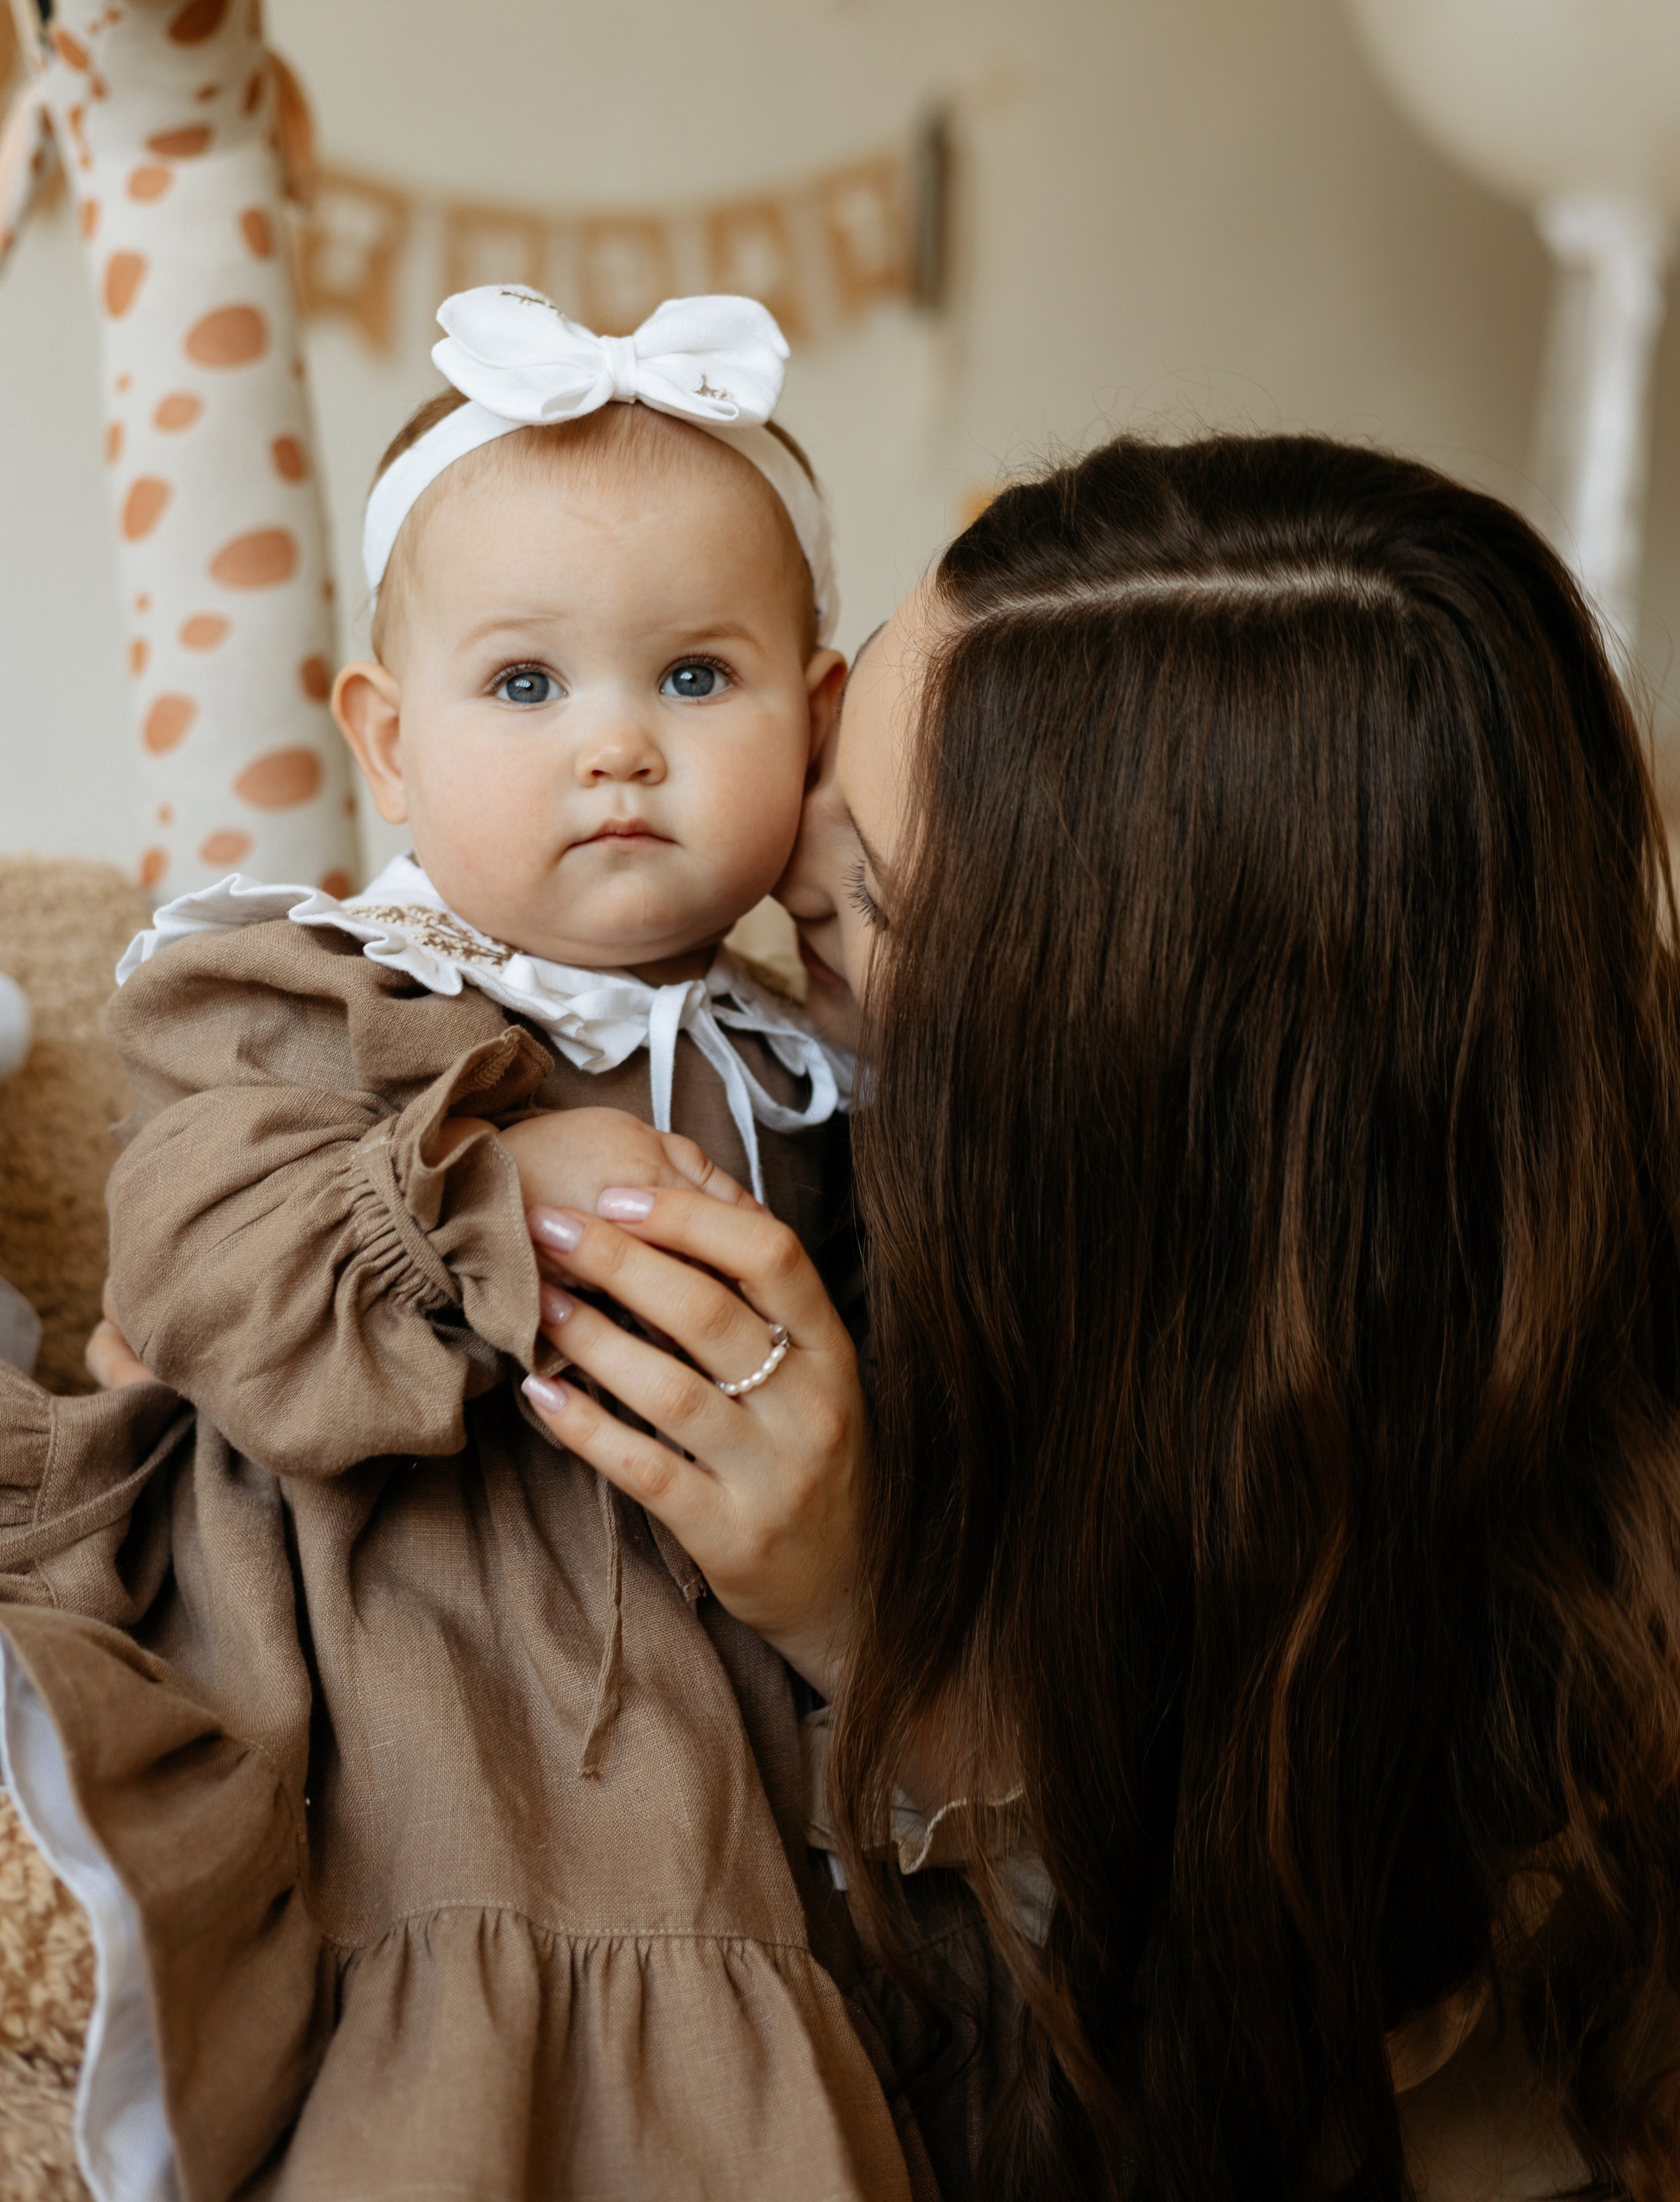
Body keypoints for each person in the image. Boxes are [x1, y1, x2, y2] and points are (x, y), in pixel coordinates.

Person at [509, 434, 1680, 2200]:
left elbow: (1297, 2071)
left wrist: (869, 1621)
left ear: (1141, 1073)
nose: (773, 864)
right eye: (837, 741)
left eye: (883, 895)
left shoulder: (1547, 1551)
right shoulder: (882, 1147)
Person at [0, 286, 967, 2202]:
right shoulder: (319, 986)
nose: (616, 747)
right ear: (390, 741)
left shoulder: (830, 1072)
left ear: (819, 714)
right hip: (392, 1673)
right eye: (526, 687)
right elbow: (192, 1252)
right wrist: (468, 1197)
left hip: (716, 1755)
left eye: (695, 679)